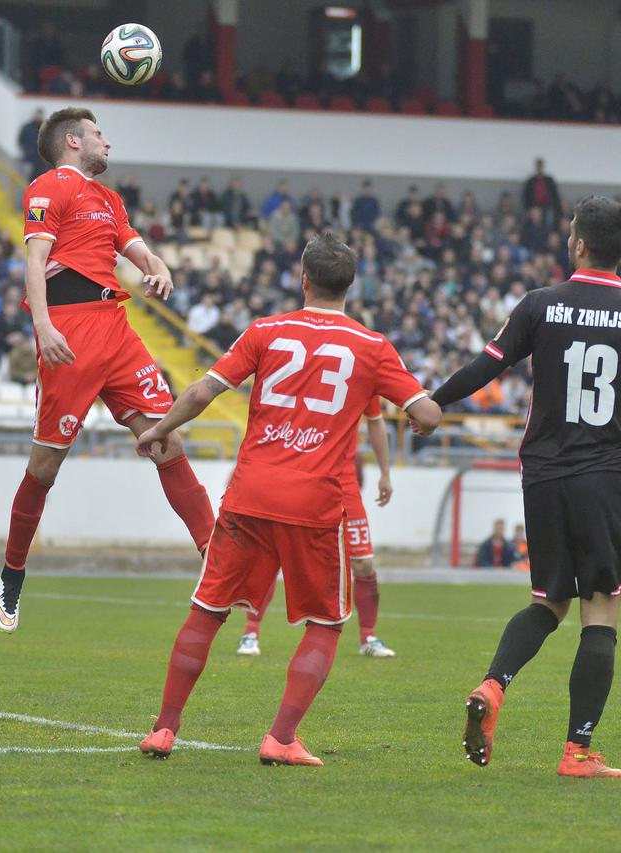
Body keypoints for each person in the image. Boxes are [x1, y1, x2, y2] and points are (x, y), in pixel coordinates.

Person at [135, 233, 442, 764]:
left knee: (207, 611)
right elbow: (428, 414)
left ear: (303, 280)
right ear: (353, 285)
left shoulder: (266, 331)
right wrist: (420, 419)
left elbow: (202, 392)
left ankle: (163, 730)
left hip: (249, 494)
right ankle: (280, 739)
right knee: (326, 624)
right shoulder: (372, 346)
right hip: (316, 504)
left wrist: (158, 429)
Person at [431, 196, 621, 778]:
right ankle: (577, 752)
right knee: (600, 608)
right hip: (604, 475)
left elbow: (488, 366)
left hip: (543, 475)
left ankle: (493, 686)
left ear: (579, 243)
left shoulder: (539, 304)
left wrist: (434, 402)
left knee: (549, 601)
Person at [0, 108, 215, 633]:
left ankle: (215, 557)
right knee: (45, 466)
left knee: (167, 441)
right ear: (73, 141)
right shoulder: (49, 186)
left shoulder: (109, 200)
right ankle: (13, 572)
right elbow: (34, 259)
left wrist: (158, 271)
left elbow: (141, 253)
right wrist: (43, 327)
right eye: (97, 134)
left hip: (115, 327)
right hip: (69, 331)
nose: (106, 142)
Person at [238, 400, 398, 658]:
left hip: (344, 484)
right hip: (299, 477)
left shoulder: (363, 372)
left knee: (363, 563)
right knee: (273, 556)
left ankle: (368, 637)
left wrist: (385, 473)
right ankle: (250, 632)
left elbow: (376, 421)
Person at [522, 157, 562, 226]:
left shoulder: (549, 180)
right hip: (534, 206)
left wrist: (555, 207)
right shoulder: (530, 181)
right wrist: (529, 209)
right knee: (534, 216)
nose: (539, 168)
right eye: (538, 166)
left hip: (547, 206)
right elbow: (526, 197)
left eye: (541, 166)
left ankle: (549, 233)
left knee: (550, 216)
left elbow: (555, 196)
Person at [17, 108, 44, 181]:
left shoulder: (46, 128)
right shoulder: (27, 127)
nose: (38, 116)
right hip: (29, 160)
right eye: (37, 114)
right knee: (24, 181)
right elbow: (21, 141)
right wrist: (27, 150)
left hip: (41, 163)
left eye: (40, 115)